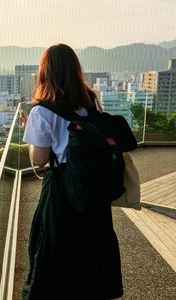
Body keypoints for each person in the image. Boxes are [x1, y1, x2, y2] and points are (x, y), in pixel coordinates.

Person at [20, 44, 123, 299]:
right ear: (76, 71)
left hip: (61, 191)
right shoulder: (90, 103)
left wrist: (31, 133)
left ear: (45, 73)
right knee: (90, 245)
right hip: (91, 185)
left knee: (56, 247)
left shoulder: (41, 111)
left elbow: (40, 159)